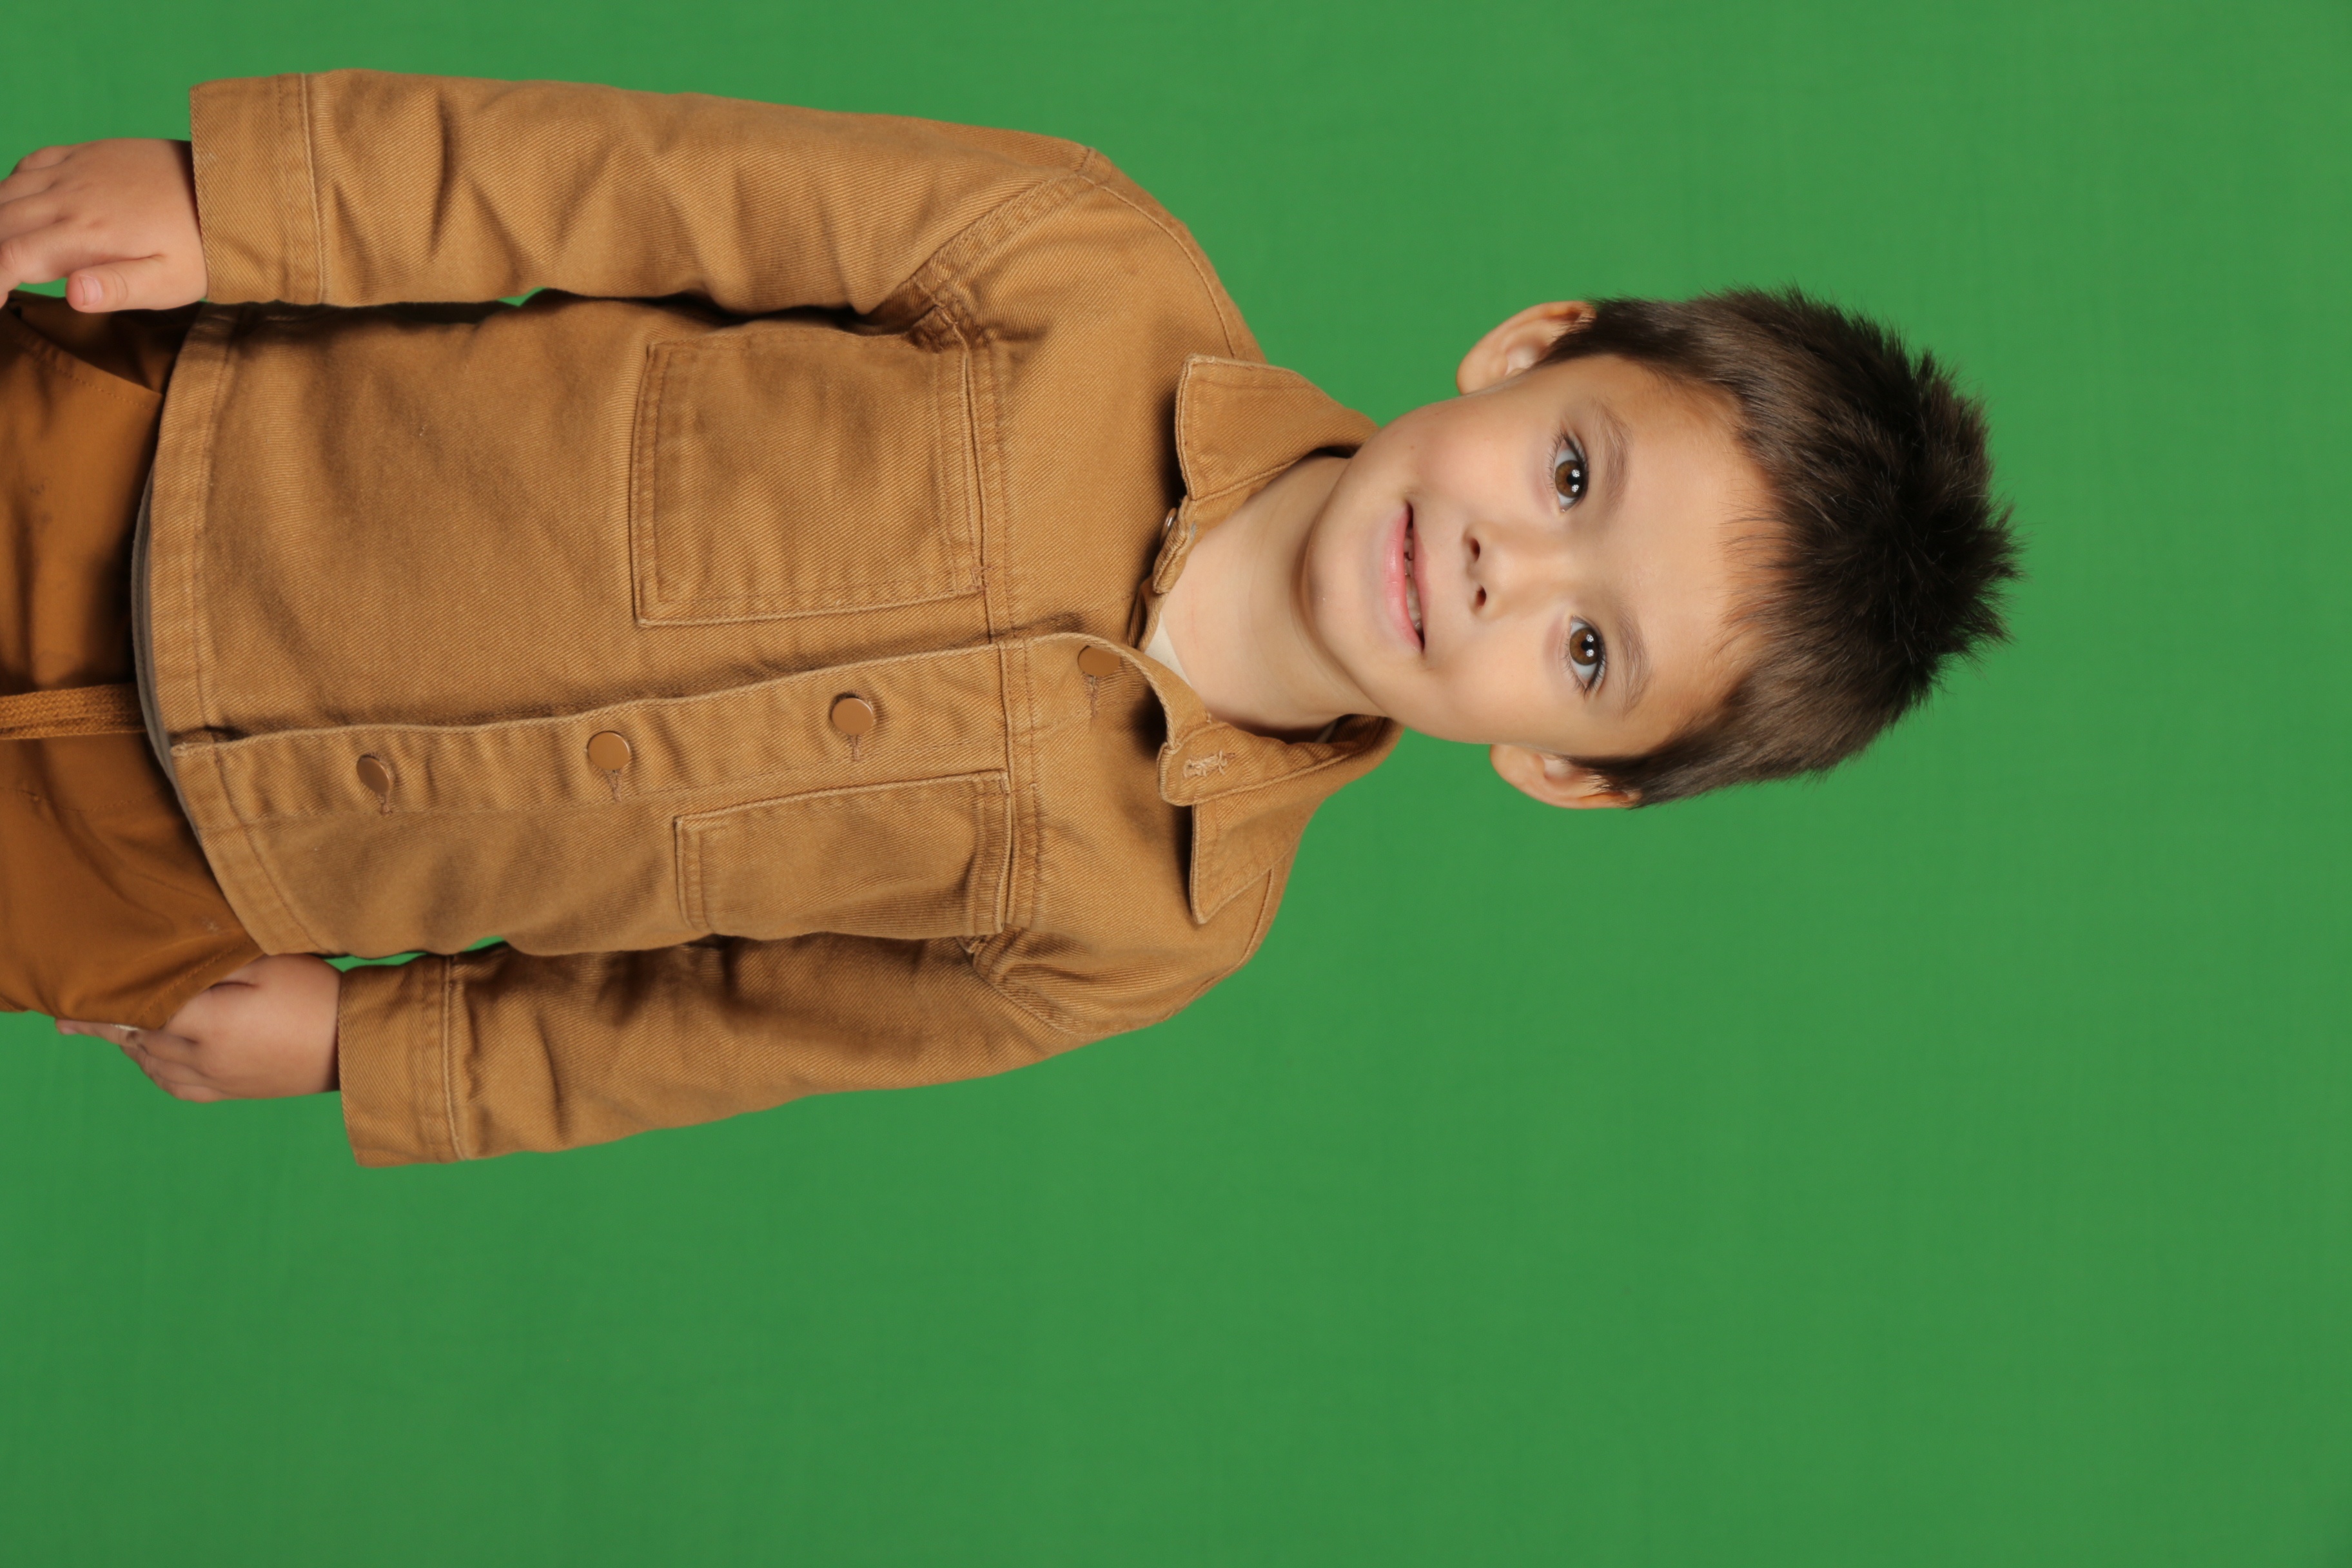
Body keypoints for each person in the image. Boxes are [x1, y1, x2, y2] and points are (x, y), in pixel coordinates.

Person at [0, 72, 2016, 1165]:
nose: (1512, 566)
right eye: (1573, 475)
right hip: (147, 456)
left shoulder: (1149, 934)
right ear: (1532, 347)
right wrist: (252, 201)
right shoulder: (1076, 265)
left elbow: (716, 1031)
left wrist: (378, 1046)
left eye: (1588, 652)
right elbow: (626, 184)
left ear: (1566, 770)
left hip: (184, 866)